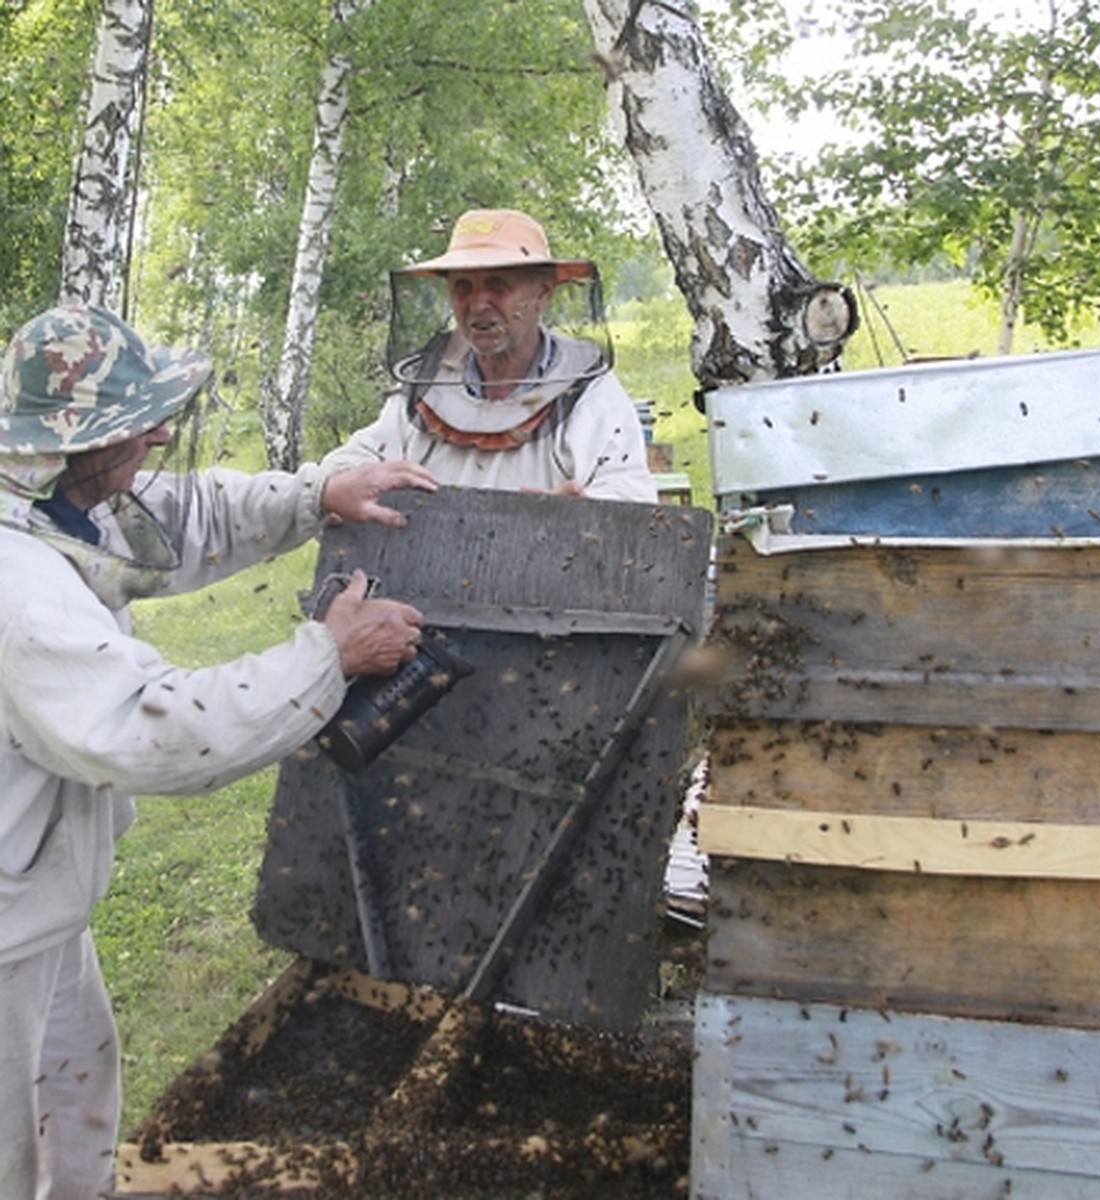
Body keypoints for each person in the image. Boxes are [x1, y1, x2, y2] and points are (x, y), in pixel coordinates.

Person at [0, 304, 435, 1200]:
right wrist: (329, 657)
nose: (162, 433)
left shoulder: (57, 494)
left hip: (38, 902)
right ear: (77, 439)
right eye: (139, 422)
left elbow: (186, 513)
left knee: (74, 1126)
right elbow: (152, 728)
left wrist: (318, 495)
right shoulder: (16, 581)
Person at [322, 208, 658, 502]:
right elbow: (356, 462)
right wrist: (339, 482)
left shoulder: (588, 391)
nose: (478, 303)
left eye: (497, 285)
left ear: (543, 293)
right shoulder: (429, 384)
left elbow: (630, 497)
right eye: (463, 287)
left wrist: (581, 513)